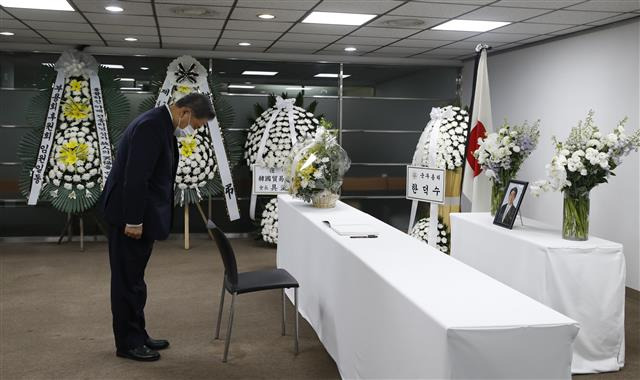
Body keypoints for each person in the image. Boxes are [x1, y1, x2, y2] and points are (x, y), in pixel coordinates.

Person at [102, 93, 215, 361]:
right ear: (185, 112)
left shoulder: (161, 124)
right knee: (127, 282)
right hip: (128, 218)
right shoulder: (151, 126)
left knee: (136, 281)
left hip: (141, 215)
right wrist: (134, 220)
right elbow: (135, 178)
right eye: (195, 124)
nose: (192, 130)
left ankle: (138, 334)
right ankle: (127, 344)